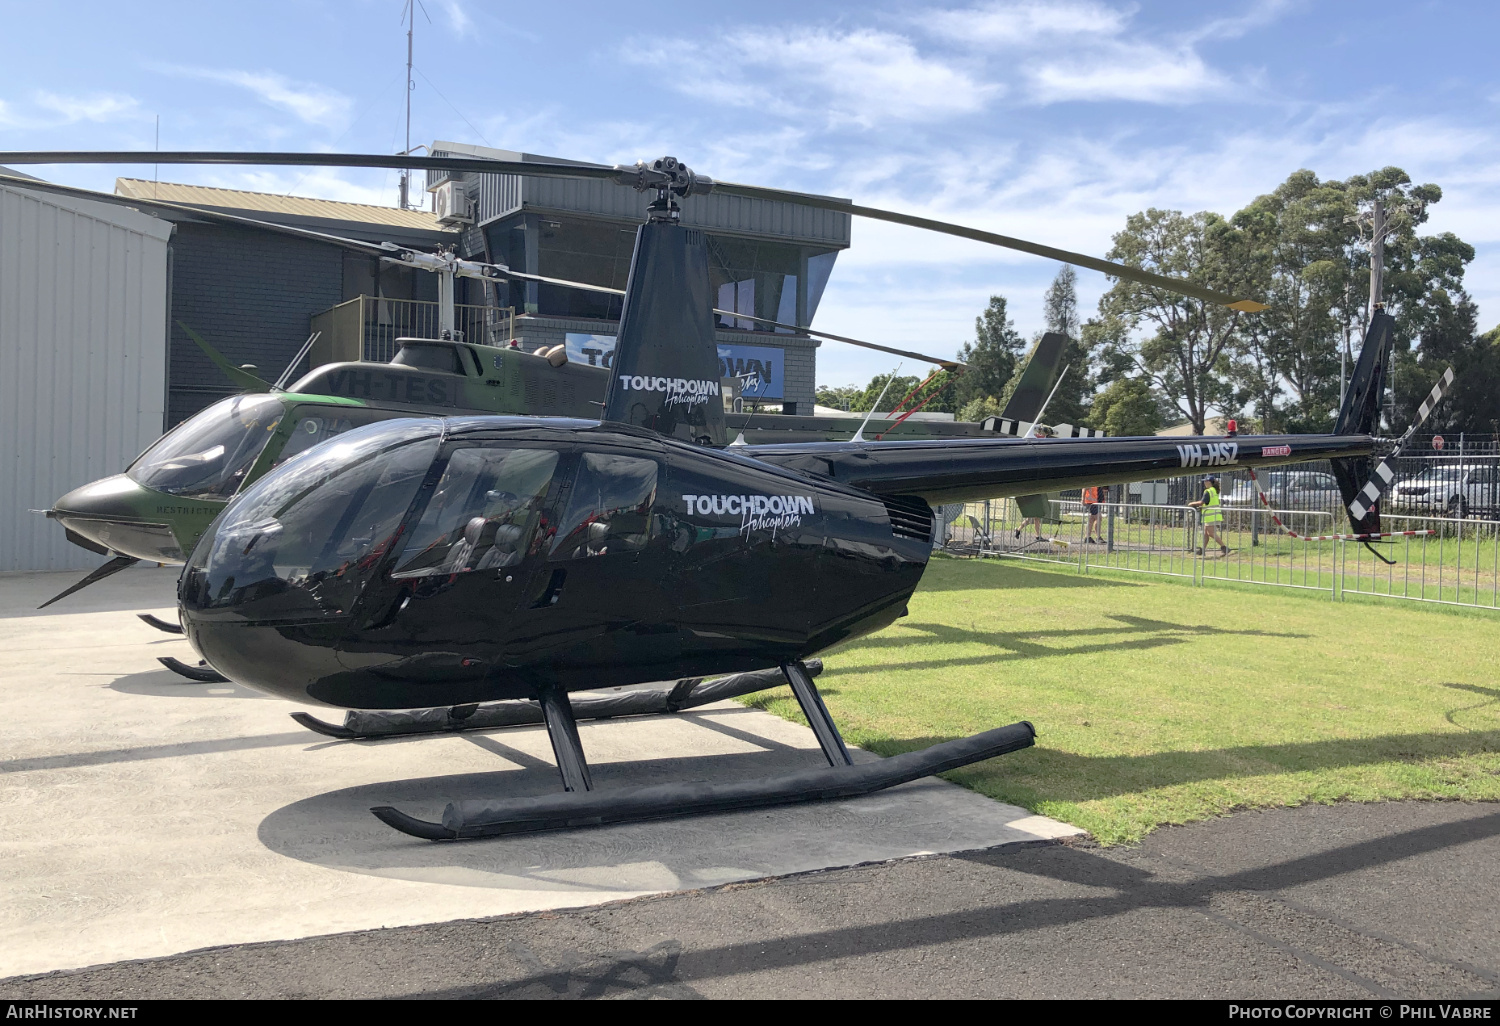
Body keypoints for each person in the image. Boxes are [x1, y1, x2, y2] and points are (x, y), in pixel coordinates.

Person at [1188, 475, 1229, 556]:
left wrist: (1191, 503)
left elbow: (1202, 502)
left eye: (1205, 481)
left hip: (1211, 516)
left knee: (1211, 533)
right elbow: (1208, 503)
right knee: (1205, 533)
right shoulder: (1214, 490)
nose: (1204, 483)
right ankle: (1202, 550)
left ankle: (1224, 547)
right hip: (1212, 515)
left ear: (1209, 482)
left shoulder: (1208, 491)